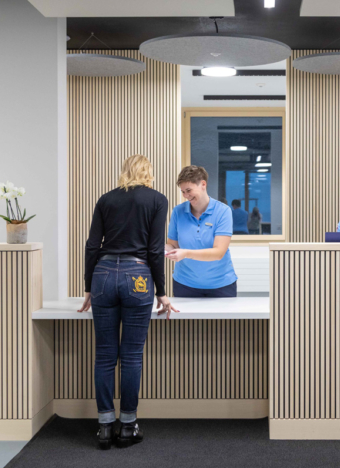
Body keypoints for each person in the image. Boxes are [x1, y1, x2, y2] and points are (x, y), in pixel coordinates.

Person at [78, 154, 178, 450]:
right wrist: (161, 292)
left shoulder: (106, 199)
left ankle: (105, 427)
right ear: (149, 173)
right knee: (132, 356)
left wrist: (88, 287)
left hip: (104, 275)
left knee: (105, 355)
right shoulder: (157, 200)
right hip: (138, 275)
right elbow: (155, 249)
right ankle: (128, 426)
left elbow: (92, 244)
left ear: (124, 172)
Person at [165, 165, 238, 297]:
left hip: (221, 284)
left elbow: (218, 253)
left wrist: (186, 253)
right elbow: (173, 245)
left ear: (203, 184)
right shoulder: (177, 212)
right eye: (182, 192)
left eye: (189, 190)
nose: (186, 196)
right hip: (185, 283)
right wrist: (160, 248)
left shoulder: (223, 211)